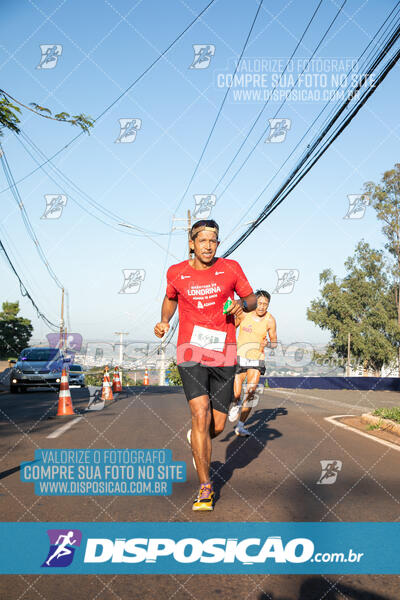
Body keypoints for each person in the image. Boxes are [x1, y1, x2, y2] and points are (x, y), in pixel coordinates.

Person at [154, 219, 256, 511]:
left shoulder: (231, 268)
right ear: (192, 243)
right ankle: (206, 487)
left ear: (217, 244)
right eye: (202, 240)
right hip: (190, 351)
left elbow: (250, 300)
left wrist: (241, 305)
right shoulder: (177, 273)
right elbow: (170, 298)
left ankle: (199, 438)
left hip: (223, 353)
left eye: (213, 241)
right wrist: (164, 320)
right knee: (200, 414)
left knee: (217, 425)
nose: (208, 246)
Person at [230, 289, 277, 436]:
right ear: (255, 302)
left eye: (265, 304)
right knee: (237, 394)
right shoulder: (244, 314)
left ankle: (241, 426)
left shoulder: (270, 320)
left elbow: (274, 343)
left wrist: (267, 345)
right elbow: (231, 329)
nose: (262, 307)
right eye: (260, 303)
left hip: (257, 358)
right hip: (240, 356)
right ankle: (235, 404)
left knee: (250, 393)